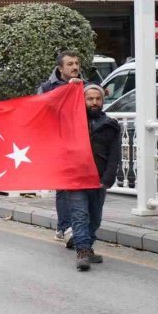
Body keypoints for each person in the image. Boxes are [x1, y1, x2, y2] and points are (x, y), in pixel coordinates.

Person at [66, 85, 120, 271]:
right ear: (82, 101)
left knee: (95, 218)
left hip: (98, 180)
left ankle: (87, 246)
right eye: (90, 99)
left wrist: (107, 179)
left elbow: (114, 155)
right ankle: (82, 250)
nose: (94, 102)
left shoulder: (110, 125)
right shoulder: (71, 123)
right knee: (80, 216)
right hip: (76, 178)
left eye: (97, 99)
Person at [38, 50, 86, 241]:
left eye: (76, 63)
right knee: (63, 185)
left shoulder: (86, 85)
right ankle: (65, 227)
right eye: (70, 64)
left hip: (81, 143)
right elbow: (40, 113)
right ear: (60, 68)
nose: (75, 67)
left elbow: (94, 107)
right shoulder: (47, 87)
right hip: (58, 143)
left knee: (81, 185)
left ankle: (79, 226)